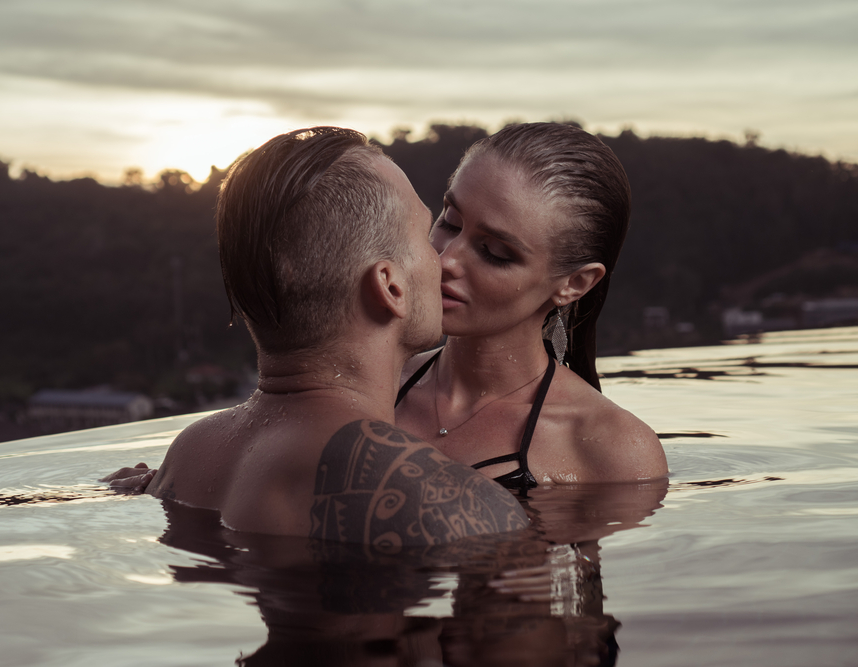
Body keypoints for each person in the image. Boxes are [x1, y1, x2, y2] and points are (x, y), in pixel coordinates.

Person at [119, 127, 528, 548]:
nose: (444, 260)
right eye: (427, 237)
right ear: (391, 287)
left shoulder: (189, 454)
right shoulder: (447, 501)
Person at [393, 122, 667, 490]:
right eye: (450, 222)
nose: (446, 260)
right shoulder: (369, 389)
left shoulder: (611, 449)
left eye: (495, 253)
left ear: (574, 284)